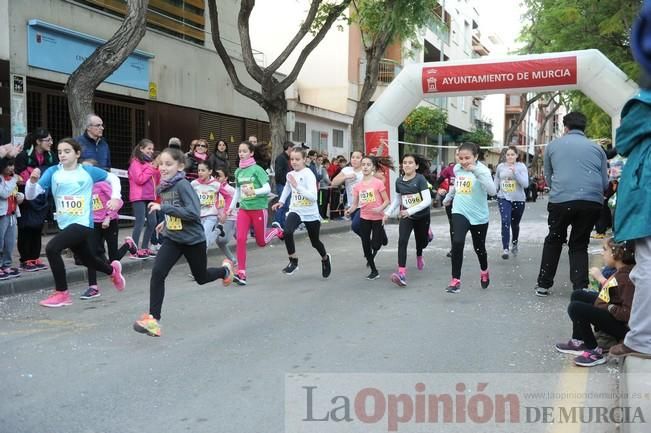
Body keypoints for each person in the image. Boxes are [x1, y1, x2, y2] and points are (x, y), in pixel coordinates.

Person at [132, 147, 233, 337]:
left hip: (193, 240)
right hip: (173, 238)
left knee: (201, 278)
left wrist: (165, 209)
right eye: (160, 163)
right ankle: (154, 320)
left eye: (168, 164)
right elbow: (175, 211)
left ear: (180, 166)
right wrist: (165, 221)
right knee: (158, 273)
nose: (163, 167)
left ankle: (225, 271)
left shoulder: (182, 185)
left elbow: (193, 213)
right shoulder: (165, 185)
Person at [24, 138, 126, 307]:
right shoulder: (52, 172)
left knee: (52, 248)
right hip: (65, 223)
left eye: (67, 151)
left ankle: (62, 293)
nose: (62, 155)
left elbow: (113, 179)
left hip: (83, 223)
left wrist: (116, 197)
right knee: (88, 260)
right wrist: (32, 182)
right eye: (59, 152)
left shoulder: (87, 171)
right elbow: (31, 195)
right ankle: (113, 271)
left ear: (77, 154)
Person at [609, 4, 651, 357]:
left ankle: (642, 339)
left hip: (648, 192)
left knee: (647, 267)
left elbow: (623, 141)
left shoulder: (644, 102)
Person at [534, 112, 609, 297]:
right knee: (579, 243)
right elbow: (605, 182)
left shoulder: (552, 146)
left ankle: (543, 284)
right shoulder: (597, 148)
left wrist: (561, 190)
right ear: (584, 128)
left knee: (554, 239)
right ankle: (580, 287)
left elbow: (548, 177)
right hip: (591, 201)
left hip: (561, 200)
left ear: (565, 128)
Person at [554, 238, 636, 366]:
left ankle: (593, 350)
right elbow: (613, 295)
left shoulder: (626, 279)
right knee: (578, 295)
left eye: (605, 250)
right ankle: (579, 340)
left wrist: (608, 307)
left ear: (616, 254)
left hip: (623, 328)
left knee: (576, 308)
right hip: (614, 313)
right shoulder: (621, 272)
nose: (602, 254)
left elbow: (627, 313)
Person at [227, 140, 284, 285]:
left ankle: (276, 231)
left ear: (251, 153)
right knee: (240, 239)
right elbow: (238, 191)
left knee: (262, 242)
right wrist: (231, 207)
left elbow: (267, 189)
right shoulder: (238, 171)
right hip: (244, 210)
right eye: (240, 151)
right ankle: (241, 273)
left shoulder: (257, 169)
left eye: (244, 151)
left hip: (258, 209)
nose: (241, 154)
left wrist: (253, 191)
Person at [442, 142, 497, 293]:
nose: (464, 161)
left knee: (479, 248)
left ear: (476, 157)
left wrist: (476, 172)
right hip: (460, 211)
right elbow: (456, 186)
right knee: (457, 242)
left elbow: (492, 191)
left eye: (468, 158)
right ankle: (455, 280)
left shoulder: (483, 170)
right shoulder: (457, 168)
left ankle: (484, 270)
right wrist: (448, 197)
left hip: (479, 216)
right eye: (461, 158)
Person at [81, 159, 138, 299]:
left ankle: (128, 245)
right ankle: (93, 287)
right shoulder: (83, 186)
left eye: (89, 169)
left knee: (114, 259)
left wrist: (108, 216)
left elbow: (118, 201)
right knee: (91, 254)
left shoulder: (102, 184)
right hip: (93, 224)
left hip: (109, 222)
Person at [271, 147, 331, 278]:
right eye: (292, 159)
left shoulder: (308, 174)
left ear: (304, 159)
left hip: (310, 212)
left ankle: (325, 258)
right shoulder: (290, 174)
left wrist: (298, 186)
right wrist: (281, 202)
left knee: (315, 242)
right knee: (287, 232)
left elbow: (313, 197)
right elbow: (287, 188)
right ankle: (293, 261)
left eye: (297, 159)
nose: (294, 162)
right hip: (296, 209)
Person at [383, 154, 432, 287]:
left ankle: (420, 253)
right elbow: (398, 199)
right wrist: (387, 213)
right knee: (402, 240)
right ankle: (402, 273)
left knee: (422, 242)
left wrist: (410, 210)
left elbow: (427, 201)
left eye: (410, 163)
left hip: (422, 215)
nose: (407, 165)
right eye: (405, 162)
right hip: (407, 216)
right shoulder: (399, 181)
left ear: (416, 166)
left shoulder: (420, 179)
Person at [15, 127, 57, 271]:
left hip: (42, 198)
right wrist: (32, 178)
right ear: (38, 141)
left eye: (51, 140)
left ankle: (35, 258)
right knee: (25, 228)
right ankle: (25, 259)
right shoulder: (23, 156)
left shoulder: (51, 156)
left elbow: (54, 172)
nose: (51, 142)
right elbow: (18, 176)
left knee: (37, 227)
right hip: (26, 199)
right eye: (48, 140)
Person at [346, 155, 392, 280]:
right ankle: (374, 270)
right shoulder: (358, 186)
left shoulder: (378, 183)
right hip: (364, 217)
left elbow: (387, 201)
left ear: (372, 167)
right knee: (366, 245)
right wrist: (349, 211)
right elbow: (355, 204)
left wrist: (380, 208)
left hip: (377, 218)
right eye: (364, 164)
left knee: (376, 245)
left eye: (368, 165)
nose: (365, 167)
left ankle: (381, 234)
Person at [494, 145, 529, 259]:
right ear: (505, 156)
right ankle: (505, 248)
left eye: (512, 155)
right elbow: (496, 182)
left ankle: (514, 242)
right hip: (503, 198)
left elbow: (525, 184)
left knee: (515, 224)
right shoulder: (500, 167)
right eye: (508, 155)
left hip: (518, 199)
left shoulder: (521, 167)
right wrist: (492, 191)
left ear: (517, 156)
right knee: (505, 221)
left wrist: (516, 173)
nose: (510, 157)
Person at [128, 139, 160, 259]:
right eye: (149, 149)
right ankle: (134, 250)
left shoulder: (149, 163)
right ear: (141, 149)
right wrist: (151, 168)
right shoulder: (135, 163)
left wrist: (156, 168)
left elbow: (155, 180)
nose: (151, 151)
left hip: (150, 196)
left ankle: (144, 248)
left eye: (152, 149)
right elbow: (139, 179)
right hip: (139, 197)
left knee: (152, 222)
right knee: (140, 222)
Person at [191, 160, 222, 250]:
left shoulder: (216, 184)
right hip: (198, 216)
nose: (200, 173)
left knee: (202, 237)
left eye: (203, 170)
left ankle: (200, 259)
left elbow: (228, 195)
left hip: (211, 215)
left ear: (210, 171)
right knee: (202, 241)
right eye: (199, 170)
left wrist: (224, 211)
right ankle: (217, 231)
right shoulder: (194, 184)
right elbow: (187, 196)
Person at [331, 151, 363, 235]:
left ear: (362, 159)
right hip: (352, 205)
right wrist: (346, 177)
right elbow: (333, 182)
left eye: (357, 157)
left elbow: (380, 179)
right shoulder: (346, 170)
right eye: (353, 157)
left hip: (364, 205)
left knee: (355, 226)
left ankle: (378, 233)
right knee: (358, 229)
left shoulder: (365, 170)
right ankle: (368, 242)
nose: (354, 160)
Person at [0, 159, 22, 280]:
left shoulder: (11, 179)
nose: (11, 168)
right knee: (0, 242)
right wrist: (14, 180)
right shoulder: (2, 179)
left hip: (12, 214)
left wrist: (20, 196)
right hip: (2, 215)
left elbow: (14, 193)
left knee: (10, 242)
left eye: (12, 165)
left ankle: (6, 265)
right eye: (8, 165)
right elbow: (4, 193)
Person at [215, 168, 236, 264]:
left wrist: (229, 212)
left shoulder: (230, 190)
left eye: (219, 176)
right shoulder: (213, 188)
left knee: (222, 240)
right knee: (219, 241)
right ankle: (233, 260)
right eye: (215, 176)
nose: (217, 178)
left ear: (226, 178)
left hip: (230, 218)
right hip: (217, 218)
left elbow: (237, 202)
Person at [437, 161, 456, 258]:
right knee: (453, 225)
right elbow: (437, 182)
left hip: (465, 202)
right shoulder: (449, 169)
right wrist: (439, 189)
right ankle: (454, 248)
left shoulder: (470, 169)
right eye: (457, 155)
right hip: (450, 201)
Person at [273, 142, 292, 229]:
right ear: (289, 148)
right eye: (292, 148)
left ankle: (283, 223)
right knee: (282, 203)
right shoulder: (281, 158)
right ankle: (277, 222)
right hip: (282, 185)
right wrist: (285, 183)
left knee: (287, 205)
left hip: (287, 184)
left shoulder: (288, 158)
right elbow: (279, 173)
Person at [317, 155, 331, 220]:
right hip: (322, 188)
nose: (328, 166)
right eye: (327, 164)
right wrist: (331, 183)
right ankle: (321, 215)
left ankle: (324, 215)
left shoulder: (324, 169)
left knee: (325, 203)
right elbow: (326, 179)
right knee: (321, 203)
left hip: (326, 188)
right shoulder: (323, 169)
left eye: (329, 164)